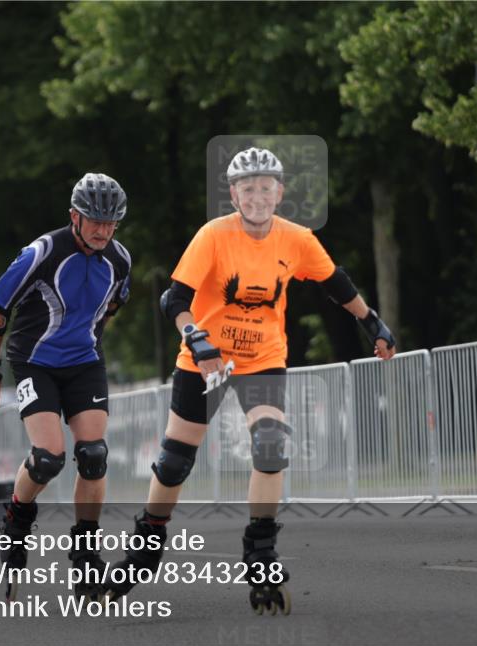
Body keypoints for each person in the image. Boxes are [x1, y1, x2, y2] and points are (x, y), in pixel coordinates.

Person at [105, 147, 396, 614]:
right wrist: (195, 338)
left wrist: (373, 324)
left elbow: (335, 283)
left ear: (279, 193)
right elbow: (173, 299)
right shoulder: (213, 236)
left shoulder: (296, 239)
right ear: (233, 193)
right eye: (248, 188)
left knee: (270, 445)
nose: (257, 196)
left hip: (262, 358)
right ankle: (146, 547)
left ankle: (260, 552)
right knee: (176, 460)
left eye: (266, 187)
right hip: (204, 361)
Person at [0, 173, 132, 601]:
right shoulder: (42, 252)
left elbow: (110, 308)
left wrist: (86, 341)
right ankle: (17, 518)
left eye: (110, 222)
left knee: (93, 456)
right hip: (34, 362)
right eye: (93, 220)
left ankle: (85, 554)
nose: (102, 230)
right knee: (48, 459)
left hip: (84, 363)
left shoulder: (119, 260)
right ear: (74, 217)